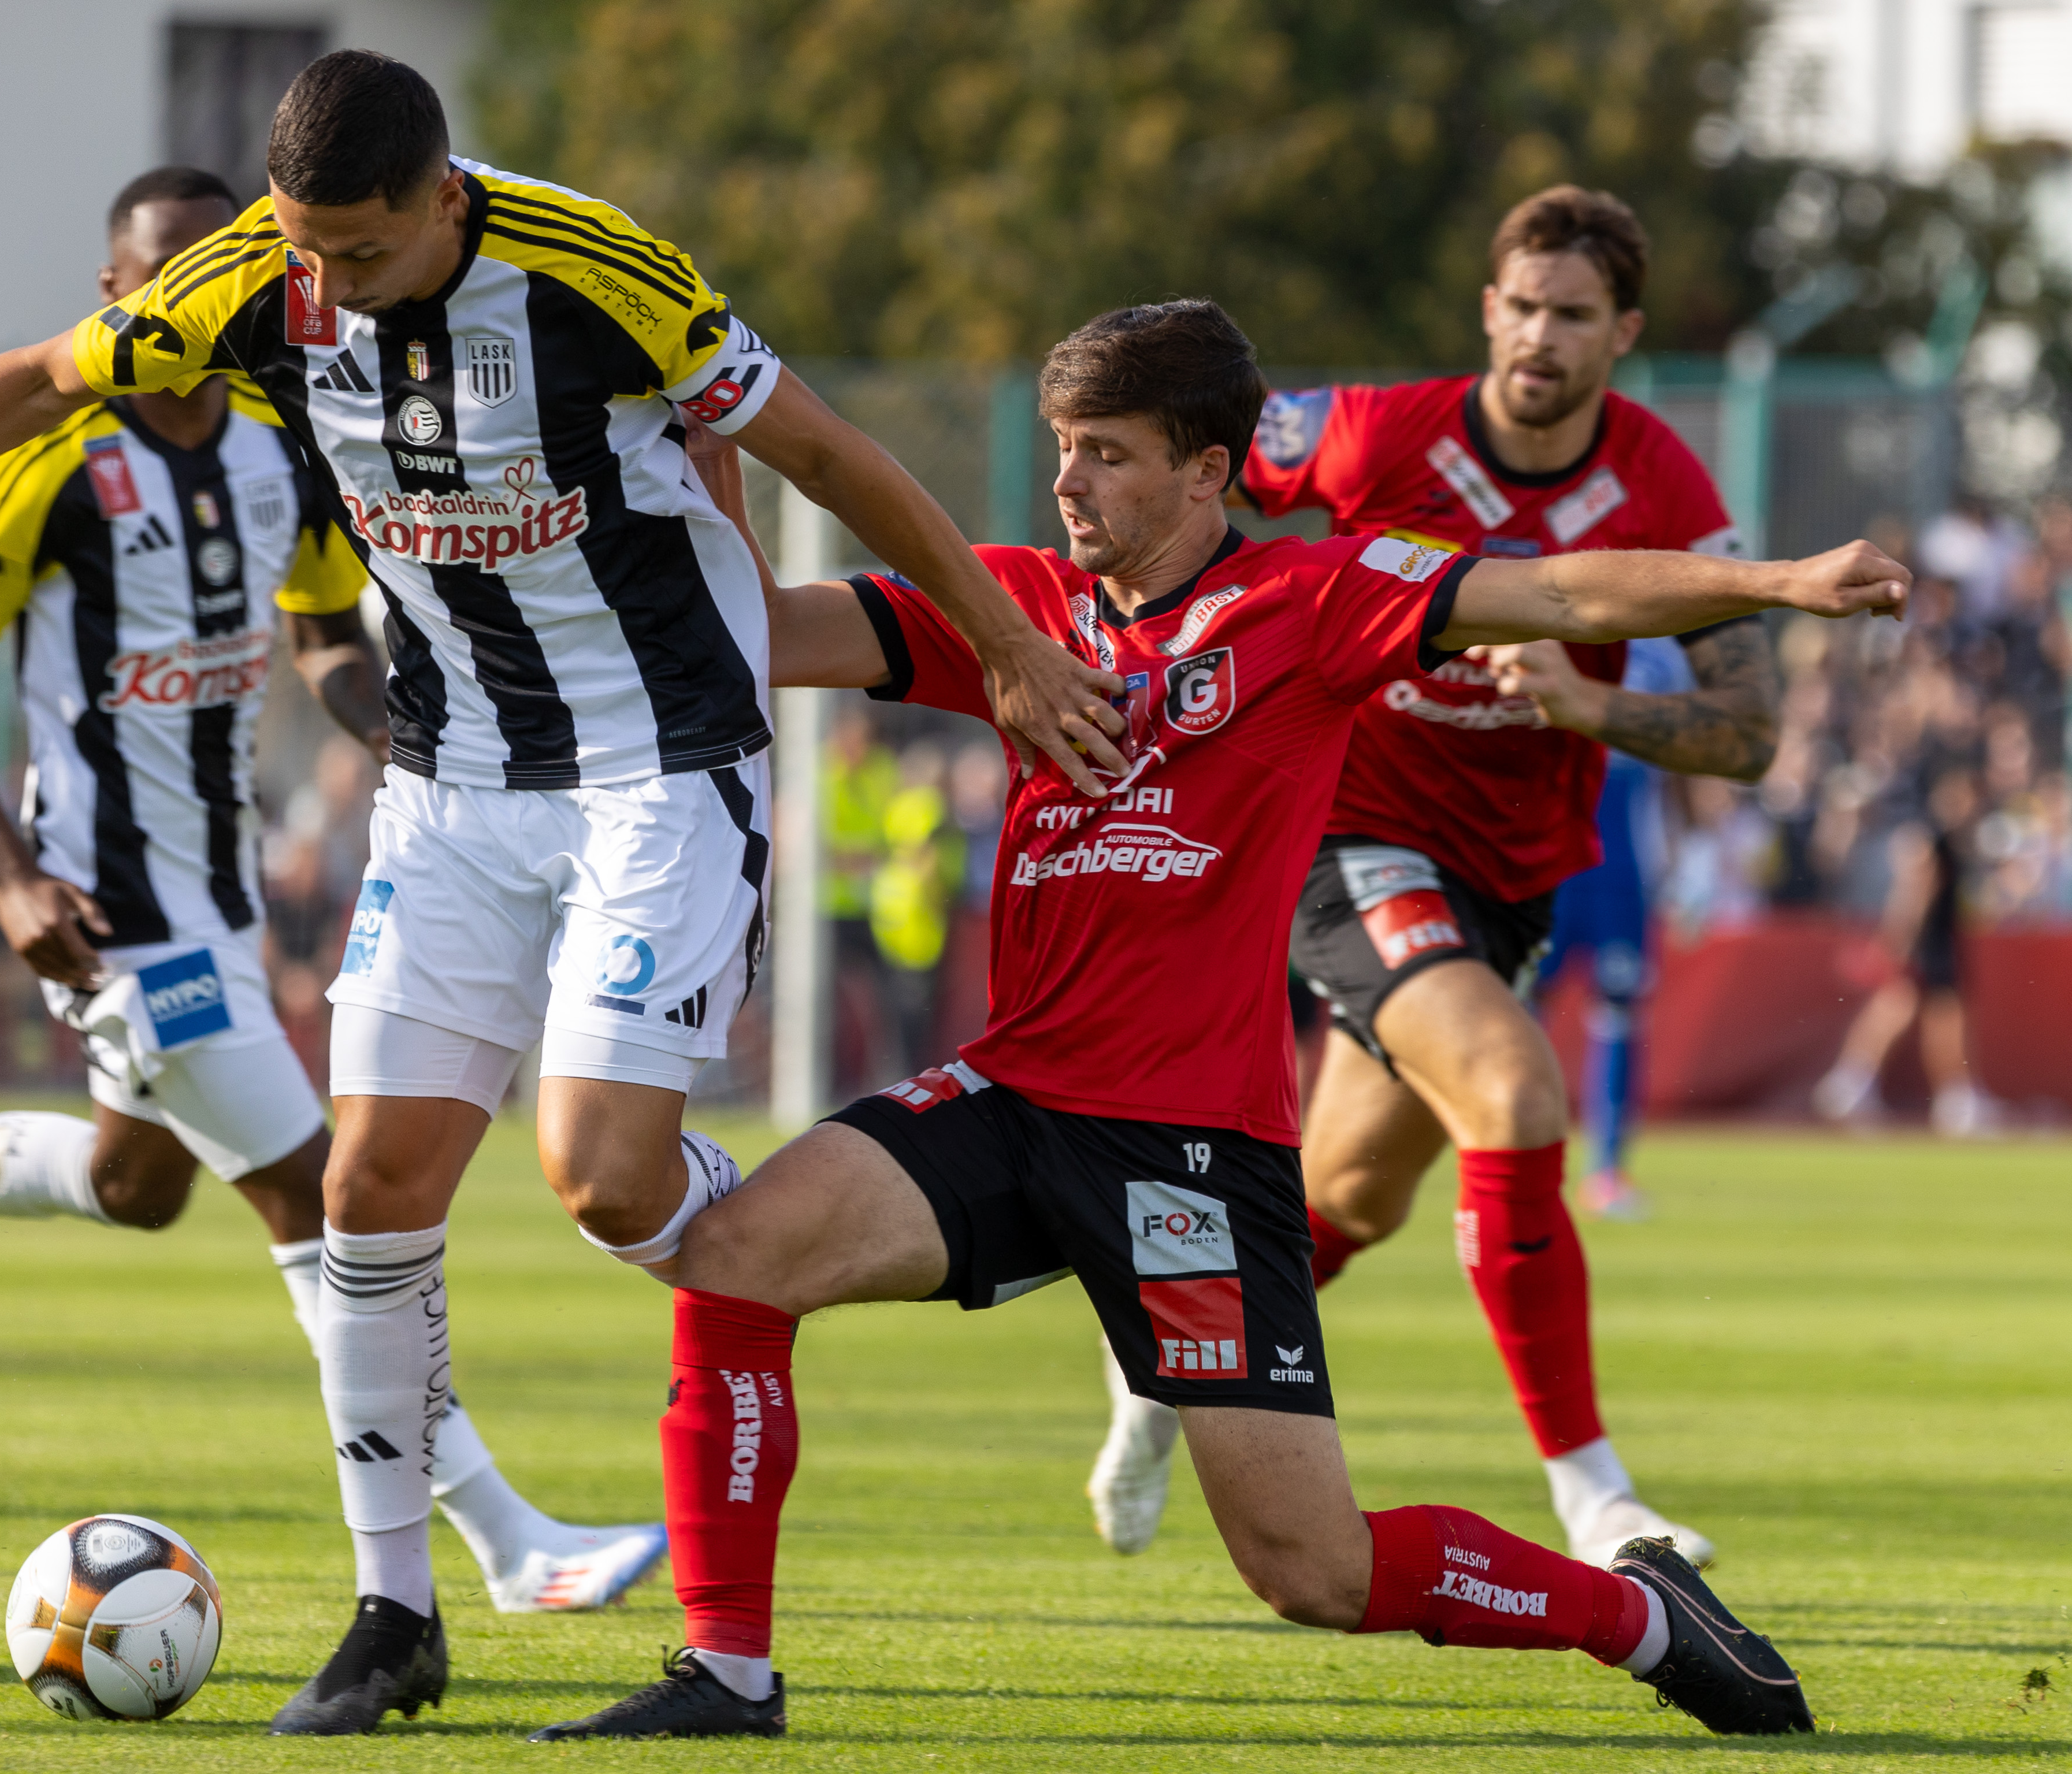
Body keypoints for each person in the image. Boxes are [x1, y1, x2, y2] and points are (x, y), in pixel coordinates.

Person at [0, 52, 1128, 1734]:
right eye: (303, 250)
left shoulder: (594, 270)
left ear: (442, 200)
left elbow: (831, 457)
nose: (323, 287)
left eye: (362, 251)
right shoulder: (250, 279)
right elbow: (41, 381)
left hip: (657, 766)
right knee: (370, 1181)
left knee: (603, 1184)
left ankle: (849, 1212)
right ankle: (394, 1614)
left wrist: (1005, 646)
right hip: (453, 787)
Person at [528, 299, 1904, 1741]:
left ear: (1208, 472)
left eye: (1107, 455)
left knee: (1312, 1568)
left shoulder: (1317, 598)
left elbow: (1561, 596)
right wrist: (709, 451)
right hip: (1013, 1099)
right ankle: (729, 1672)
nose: (1067, 484)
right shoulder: (1013, 606)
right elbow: (768, 637)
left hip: (1189, 1157)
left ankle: (1635, 1612)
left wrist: (1784, 579)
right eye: (1063, 451)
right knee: (736, 1260)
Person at [0, 165, 664, 1618]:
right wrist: (5, 875)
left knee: (140, 1182)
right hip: (111, 911)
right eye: (162, 279)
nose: (197, 301)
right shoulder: (47, 461)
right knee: (320, 1195)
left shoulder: (273, 436)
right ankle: (508, 1541)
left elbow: (317, 634)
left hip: (221, 892)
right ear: (118, 300)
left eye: (217, 270)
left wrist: (405, 726)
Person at [1089, 186, 1781, 1568]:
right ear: (1486, 308)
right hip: (1347, 838)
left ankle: (1165, 1359)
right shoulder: (1365, 431)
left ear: (1622, 333)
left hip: (1506, 879)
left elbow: (1748, 734)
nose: (1539, 336)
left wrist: (1594, 713)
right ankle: (1594, 1493)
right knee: (1519, 1093)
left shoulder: (1664, 488)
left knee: (1348, 1194)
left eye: (1572, 316)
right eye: (1520, 306)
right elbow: (1187, 472)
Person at [1538, 637, 1696, 1222]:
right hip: (1550, 859)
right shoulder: (1546, 624)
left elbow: (1681, 759)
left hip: (1625, 868)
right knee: (1522, 1012)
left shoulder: (1661, 656)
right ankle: (1513, 1158)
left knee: (1621, 1013)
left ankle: (1606, 1171)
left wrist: (1691, 854)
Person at [1812, 769, 1998, 1134]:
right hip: (1930, 941)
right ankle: (1953, 1098)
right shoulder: (1934, 836)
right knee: (1938, 1013)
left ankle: (1851, 1082)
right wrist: (1897, 939)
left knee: (1903, 1006)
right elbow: (1915, 892)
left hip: (1931, 939)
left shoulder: (1943, 837)